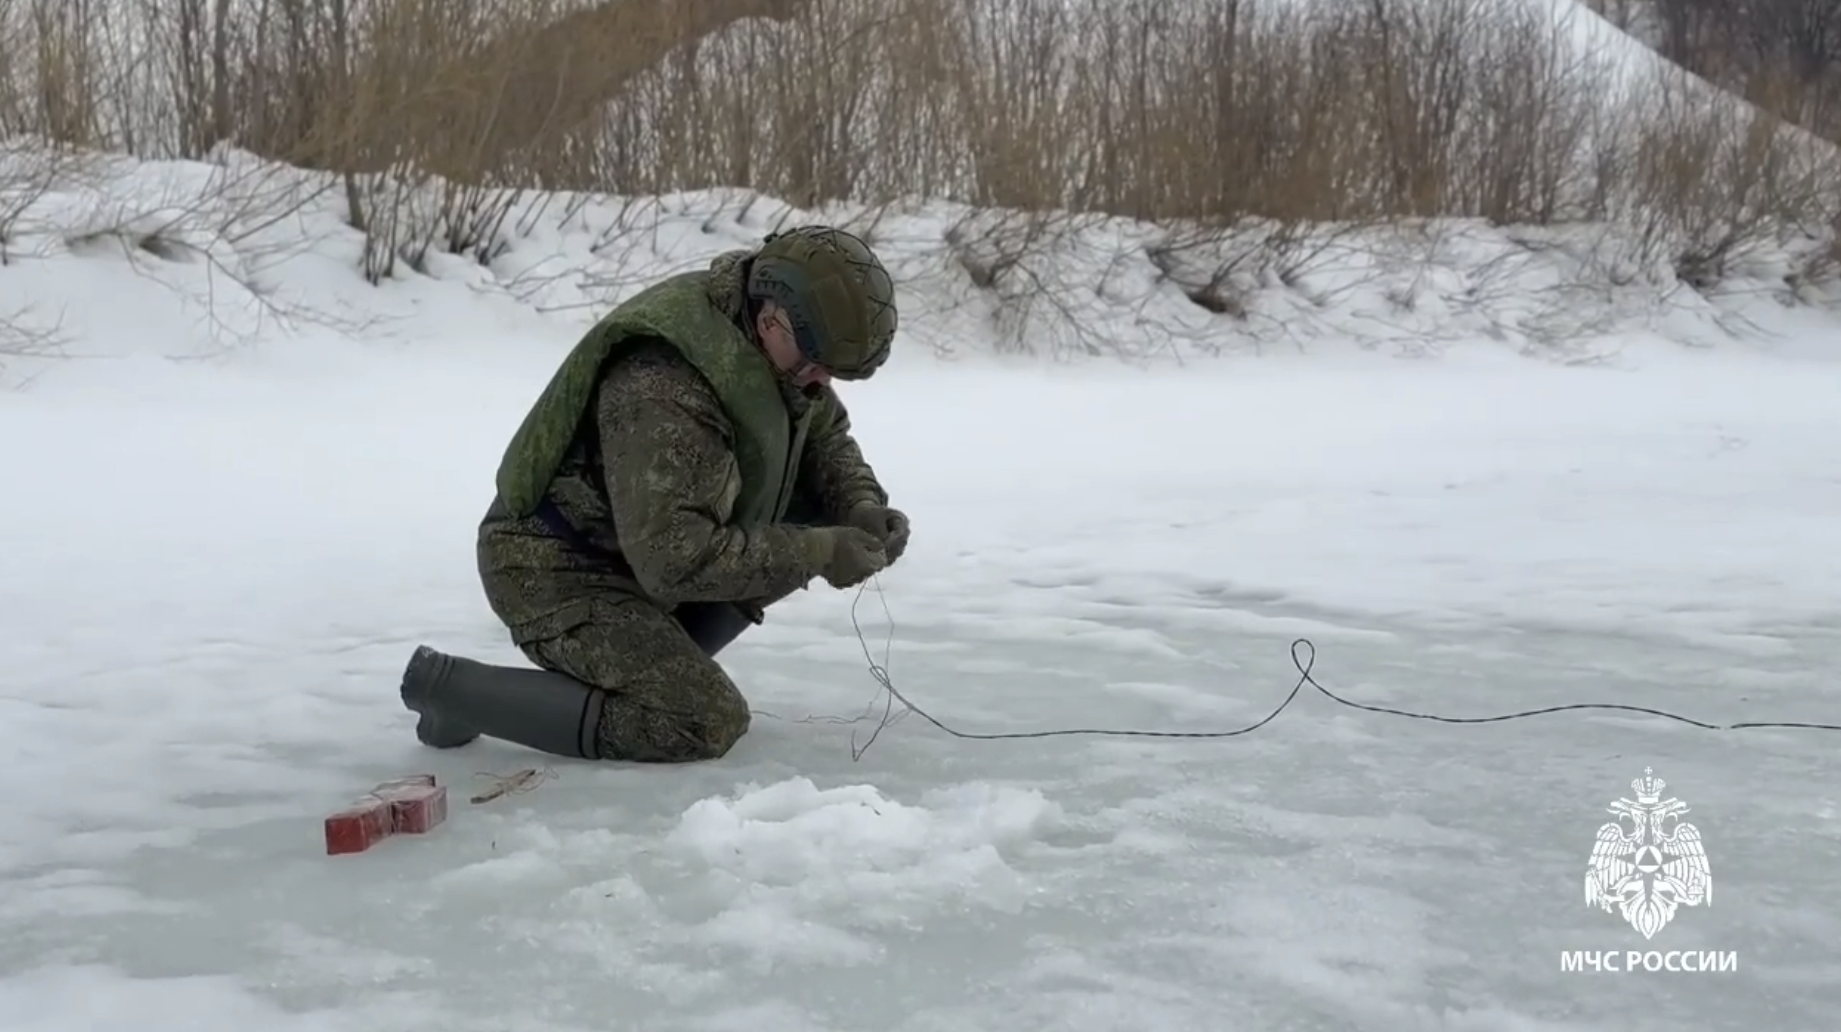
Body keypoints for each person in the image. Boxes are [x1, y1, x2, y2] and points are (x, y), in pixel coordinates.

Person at [398, 225, 911, 764]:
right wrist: (823, 553)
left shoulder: (774, 345)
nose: (820, 379)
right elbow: (673, 560)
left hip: (636, 554)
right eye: (815, 362)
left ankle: (651, 657)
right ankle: (453, 692)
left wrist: (860, 506)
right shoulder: (665, 385)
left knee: (805, 527)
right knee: (700, 717)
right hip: (556, 567)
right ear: (772, 316)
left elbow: (822, 435)